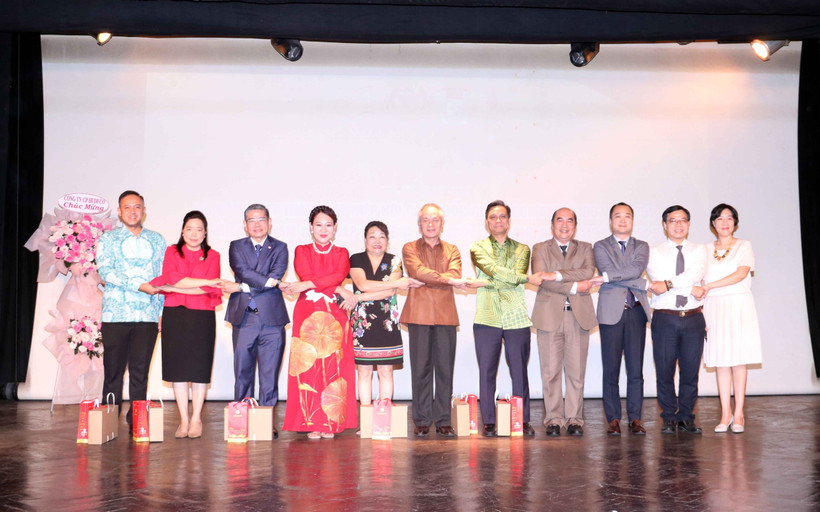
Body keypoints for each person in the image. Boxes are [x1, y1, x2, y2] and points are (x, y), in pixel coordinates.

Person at [281, 205, 359, 439]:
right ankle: (311, 421)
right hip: (308, 311)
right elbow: (304, 274)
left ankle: (331, 422)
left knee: (334, 366)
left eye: (328, 225)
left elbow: (338, 275)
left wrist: (309, 285)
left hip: (334, 313)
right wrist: (336, 288)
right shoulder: (301, 250)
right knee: (309, 366)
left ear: (335, 228)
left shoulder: (342, 253)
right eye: (318, 225)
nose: (323, 229)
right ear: (310, 228)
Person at [468, 200, 542, 437]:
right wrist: (525, 278)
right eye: (492, 217)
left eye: (502, 216)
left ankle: (523, 419)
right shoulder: (477, 247)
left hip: (516, 316)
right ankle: (488, 421)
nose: (497, 220)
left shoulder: (523, 249)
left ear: (509, 221)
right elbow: (503, 274)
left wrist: (482, 282)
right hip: (487, 316)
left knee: (519, 370)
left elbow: (515, 275)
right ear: (487, 222)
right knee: (487, 370)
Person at [96, 190, 165, 428]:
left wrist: (161, 312)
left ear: (144, 211)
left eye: (137, 207)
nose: (133, 211)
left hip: (147, 316)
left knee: (140, 372)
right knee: (113, 372)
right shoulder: (107, 239)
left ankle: (137, 421)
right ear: (119, 211)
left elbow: (162, 279)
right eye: (127, 207)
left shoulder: (157, 239)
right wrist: (140, 286)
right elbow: (106, 272)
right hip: (116, 314)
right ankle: (108, 420)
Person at [149, 211, 222, 439]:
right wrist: (206, 282)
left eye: (199, 229)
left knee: (199, 370)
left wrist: (175, 287)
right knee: (178, 369)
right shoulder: (172, 251)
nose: (194, 234)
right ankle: (183, 419)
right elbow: (170, 277)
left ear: (205, 232)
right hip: (175, 314)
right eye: (190, 229)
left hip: (202, 316)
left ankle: (197, 418)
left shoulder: (213, 255)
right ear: (182, 230)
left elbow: (208, 290)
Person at [221, 203, 289, 438]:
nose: (257, 224)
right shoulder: (236, 246)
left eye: (261, 219)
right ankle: (241, 418)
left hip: (272, 319)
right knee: (243, 372)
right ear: (245, 224)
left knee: (270, 374)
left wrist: (243, 285)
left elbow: (276, 276)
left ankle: (265, 421)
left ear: (269, 222)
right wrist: (263, 281)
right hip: (245, 317)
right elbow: (243, 271)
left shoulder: (280, 247)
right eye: (252, 220)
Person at [401, 203, 466, 437]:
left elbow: (456, 274)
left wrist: (432, 279)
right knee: (420, 369)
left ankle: (443, 419)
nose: (430, 224)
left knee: (445, 370)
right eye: (426, 220)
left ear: (442, 224)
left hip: (446, 316)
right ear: (419, 224)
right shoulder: (410, 247)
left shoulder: (453, 249)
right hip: (418, 314)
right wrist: (445, 280)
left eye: (435, 220)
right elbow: (416, 271)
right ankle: (421, 419)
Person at [531, 207, 597, 436]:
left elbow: (588, 271)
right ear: (553, 224)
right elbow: (541, 278)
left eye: (570, 221)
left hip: (578, 317)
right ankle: (553, 419)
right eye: (560, 220)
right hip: (549, 317)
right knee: (550, 372)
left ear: (575, 226)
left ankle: (574, 419)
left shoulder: (586, 248)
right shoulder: (540, 248)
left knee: (576, 372)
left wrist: (557, 274)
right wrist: (574, 286)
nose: (565, 225)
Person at [699, 203, 762, 434]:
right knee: (721, 361)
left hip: (738, 305)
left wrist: (709, 286)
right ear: (712, 224)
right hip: (713, 306)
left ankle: (739, 413)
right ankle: (725, 413)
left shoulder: (744, 245)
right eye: (719, 218)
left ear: (735, 222)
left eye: (729, 218)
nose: (724, 222)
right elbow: (698, 280)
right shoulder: (704, 249)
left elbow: (740, 274)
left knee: (738, 359)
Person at [646, 205, 708, 434]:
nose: (678, 224)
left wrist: (671, 284)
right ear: (664, 225)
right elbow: (656, 279)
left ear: (689, 224)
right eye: (673, 220)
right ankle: (669, 417)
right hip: (665, 318)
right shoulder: (652, 252)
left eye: (683, 220)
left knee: (690, 372)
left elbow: (695, 273)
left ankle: (686, 417)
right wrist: (690, 289)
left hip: (693, 319)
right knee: (664, 371)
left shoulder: (700, 249)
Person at [592, 203, 652, 436]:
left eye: (627, 216)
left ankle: (635, 418)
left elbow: (634, 271)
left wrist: (607, 277)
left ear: (633, 221)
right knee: (611, 369)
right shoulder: (600, 246)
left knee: (635, 369)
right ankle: (614, 418)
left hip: (636, 311)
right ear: (610, 221)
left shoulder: (642, 246)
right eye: (618, 216)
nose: (623, 220)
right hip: (610, 313)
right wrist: (641, 282)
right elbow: (623, 272)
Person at [349, 221, 423, 407]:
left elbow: (389, 293)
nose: (377, 241)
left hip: (386, 323)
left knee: (386, 371)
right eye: (372, 236)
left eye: (382, 237)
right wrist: (396, 283)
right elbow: (363, 285)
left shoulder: (394, 260)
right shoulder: (356, 259)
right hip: (362, 326)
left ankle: (384, 418)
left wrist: (359, 298)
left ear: (387, 240)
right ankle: (366, 421)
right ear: (365, 239)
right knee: (364, 372)